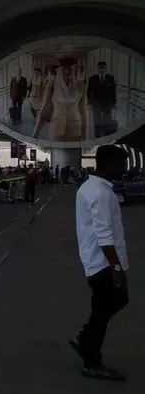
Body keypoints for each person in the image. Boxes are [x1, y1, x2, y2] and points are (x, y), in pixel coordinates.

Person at [71, 145, 129, 380]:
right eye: (121, 164)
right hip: (103, 262)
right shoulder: (101, 193)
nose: (124, 169)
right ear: (108, 164)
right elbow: (104, 234)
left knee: (104, 307)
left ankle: (85, 340)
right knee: (110, 304)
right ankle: (92, 361)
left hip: (94, 258)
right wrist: (116, 268)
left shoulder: (91, 187)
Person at [32, 57, 88, 142]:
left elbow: (84, 112)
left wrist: (85, 137)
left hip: (75, 129)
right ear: (59, 69)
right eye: (64, 69)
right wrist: (35, 134)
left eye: (70, 69)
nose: (67, 72)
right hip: (56, 128)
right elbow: (44, 109)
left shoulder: (80, 86)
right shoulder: (53, 84)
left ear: (74, 69)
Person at [87, 61, 117, 138]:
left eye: (103, 68)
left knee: (107, 121)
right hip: (96, 102)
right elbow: (89, 91)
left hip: (107, 103)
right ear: (97, 68)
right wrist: (89, 103)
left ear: (105, 68)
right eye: (100, 68)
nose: (101, 70)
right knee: (96, 120)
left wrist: (114, 103)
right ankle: (97, 136)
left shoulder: (110, 78)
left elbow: (113, 91)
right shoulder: (92, 79)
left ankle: (106, 136)